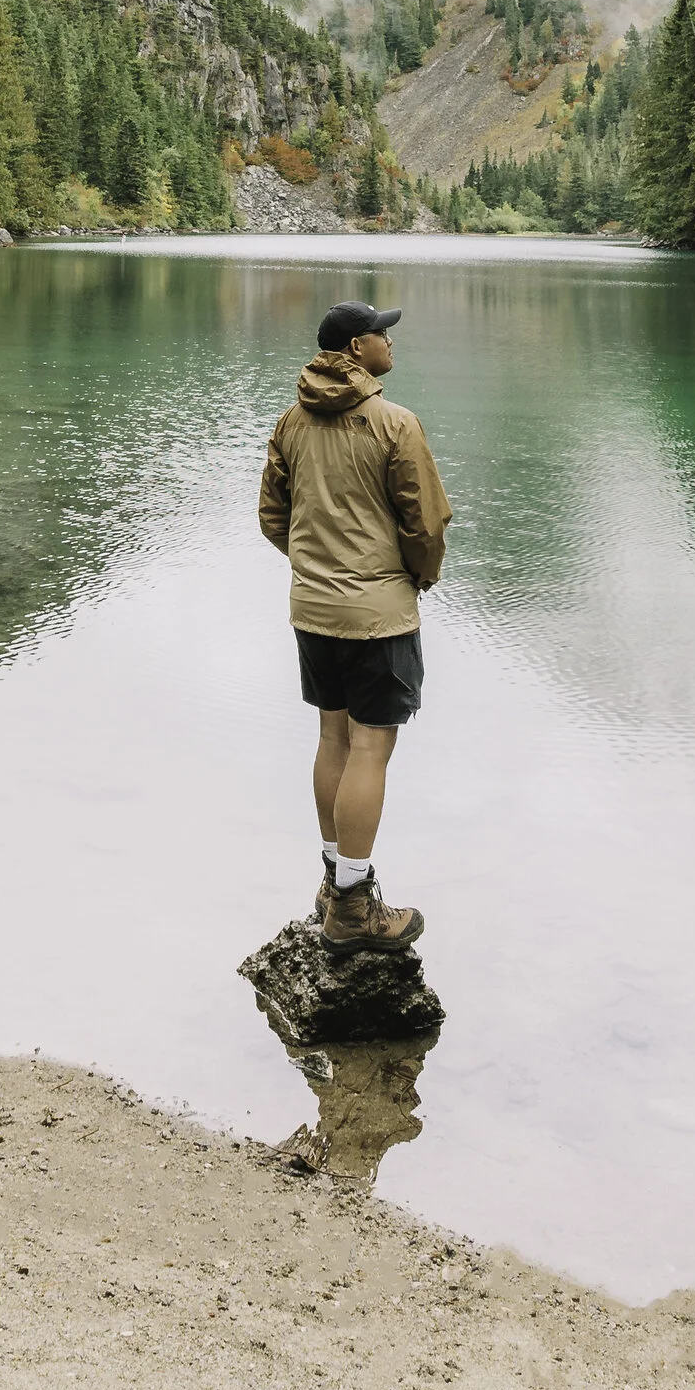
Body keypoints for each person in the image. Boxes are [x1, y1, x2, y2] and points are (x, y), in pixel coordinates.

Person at [258, 299, 451, 954]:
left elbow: (273, 516)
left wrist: (316, 567)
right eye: (381, 334)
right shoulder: (395, 424)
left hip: (313, 609)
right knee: (370, 749)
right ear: (355, 348)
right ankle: (351, 907)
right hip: (377, 616)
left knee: (331, 738)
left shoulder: (290, 420)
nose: (390, 342)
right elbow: (425, 524)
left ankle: (331, 881)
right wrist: (416, 577)